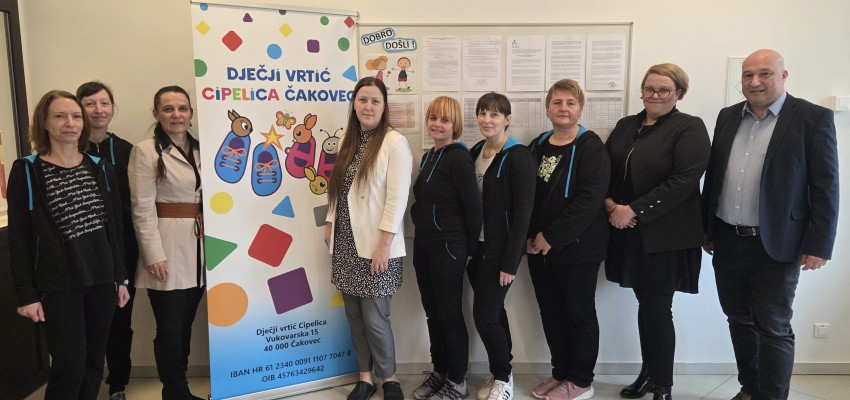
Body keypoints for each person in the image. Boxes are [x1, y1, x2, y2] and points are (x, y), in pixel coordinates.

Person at [702, 49, 839, 400]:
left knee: (773, 327)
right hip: (728, 239)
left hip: (778, 242)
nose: (754, 81)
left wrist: (819, 244)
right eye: (748, 75)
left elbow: (826, 186)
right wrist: (708, 230)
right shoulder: (728, 116)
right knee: (738, 318)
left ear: (783, 76)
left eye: (764, 73)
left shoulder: (812, 118)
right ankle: (750, 388)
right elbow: (715, 177)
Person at [8, 90, 129, 400]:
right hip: (58, 286)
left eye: (76, 116)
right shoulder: (27, 170)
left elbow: (114, 229)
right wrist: (26, 295)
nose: (70, 123)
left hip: (101, 281)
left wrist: (120, 278)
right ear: (44, 123)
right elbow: (18, 238)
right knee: (69, 365)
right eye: (60, 116)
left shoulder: (99, 167)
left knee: (93, 363)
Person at [604, 64, 710, 400]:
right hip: (628, 232)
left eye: (664, 90)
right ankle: (648, 374)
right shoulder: (626, 125)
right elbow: (605, 170)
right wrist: (610, 204)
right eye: (649, 88)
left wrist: (633, 209)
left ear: (679, 93)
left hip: (666, 236)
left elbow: (683, 180)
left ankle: (663, 385)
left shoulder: (689, 127)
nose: (655, 95)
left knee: (657, 308)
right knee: (645, 305)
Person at [325, 77, 413, 400]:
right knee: (354, 317)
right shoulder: (347, 139)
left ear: (384, 106)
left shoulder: (395, 142)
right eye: (362, 100)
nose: (368, 106)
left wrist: (384, 245)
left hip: (378, 244)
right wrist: (330, 221)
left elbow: (397, 199)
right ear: (354, 104)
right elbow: (338, 188)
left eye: (375, 100)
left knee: (375, 319)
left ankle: (390, 379)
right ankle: (365, 378)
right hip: (346, 242)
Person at [526, 79, 610, 400]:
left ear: (580, 109)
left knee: (578, 313)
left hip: (578, 249)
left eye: (570, 102)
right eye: (557, 102)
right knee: (551, 313)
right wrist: (530, 237)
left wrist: (551, 236)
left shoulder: (590, 146)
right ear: (547, 108)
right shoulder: (538, 145)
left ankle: (581, 380)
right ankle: (561, 372)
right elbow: (527, 195)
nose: (564, 108)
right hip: (539, 249)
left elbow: (590, 199)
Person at [129, 86, 205, 400]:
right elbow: (141, 208)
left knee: (186, 324)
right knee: (170, 327)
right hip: (166, 249)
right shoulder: (146, 150)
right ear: (156, 113)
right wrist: (153, 255)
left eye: (182, 108)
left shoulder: (203, 148)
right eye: (168, 109)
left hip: (199, 249)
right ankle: (174, 391)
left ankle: (179, 388)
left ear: (191, 113)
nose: (176, 115)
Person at [410, 96, 482, 400]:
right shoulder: (429, 156)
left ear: (455, 125)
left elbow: (473, 207)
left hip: (449, 247)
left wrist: (469, 248)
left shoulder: (458, 158)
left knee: (449, 314)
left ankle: (457, 381)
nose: (437, 124)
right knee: (432, 313)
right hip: (424, 245)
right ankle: (440, 371)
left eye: (445, 120)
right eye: (433, 118)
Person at [468, 92, 536, 400]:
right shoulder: (476, 151)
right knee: (493, 313)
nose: (487, 119)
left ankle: (504, 378)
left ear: (507, 119)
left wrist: (511, 262)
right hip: (477, 250)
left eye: (494, 114)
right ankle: (501, 371)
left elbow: (523, 214)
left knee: (484, 316)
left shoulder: (518, 156)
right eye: (483, 113)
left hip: (500, 252)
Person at [76, 81, 139, 400]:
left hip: (123, 246)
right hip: (80, 246)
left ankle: (118, 383)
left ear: (113, 109)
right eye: (89, 103)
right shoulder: (68, 149)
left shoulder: (128, 150)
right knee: (82, 320)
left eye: (104, 103)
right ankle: (82, 383)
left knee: (119, 317)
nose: (98, 110)